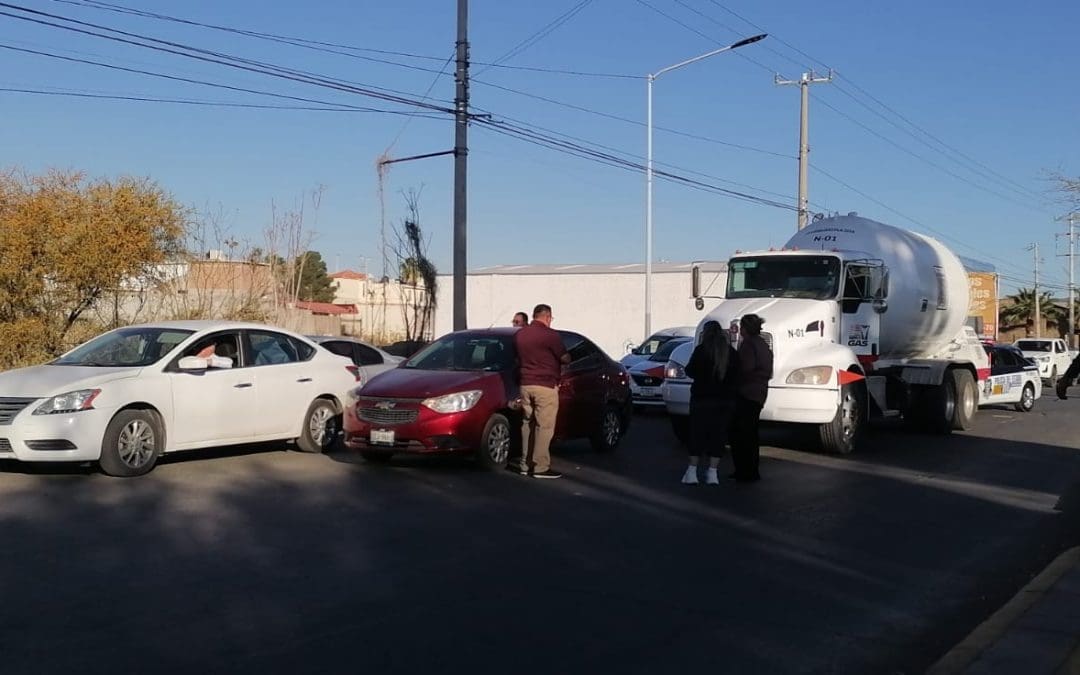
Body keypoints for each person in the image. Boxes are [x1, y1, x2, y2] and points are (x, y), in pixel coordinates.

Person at [513, 303, 570, 479]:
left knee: (527, 424)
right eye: (551, 318)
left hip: (525, 384)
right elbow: (564, 357)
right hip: (545, 385)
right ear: (547, 316)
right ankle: (540, 467)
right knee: (544, 426)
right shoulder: (550, 335)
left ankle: (525, 463)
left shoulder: (520, 335)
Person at [681, 321, 739, 485]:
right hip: (724, 400)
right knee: (718, 435)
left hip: (702, 399)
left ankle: (692, 471)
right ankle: (712, 473)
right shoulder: (731, 353)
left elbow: (689, 370)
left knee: (697, 434)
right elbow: (738, 375)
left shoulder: (701, 351)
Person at [731, 314, 772, 482]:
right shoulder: (763, 345)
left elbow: (745, 368)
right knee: (751, 433)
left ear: (746, 329)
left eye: (742, 327)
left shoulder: (748, 345)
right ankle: (752, 469)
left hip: (746, 393)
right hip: (759, 393)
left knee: (741, 434)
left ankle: (744, 470)